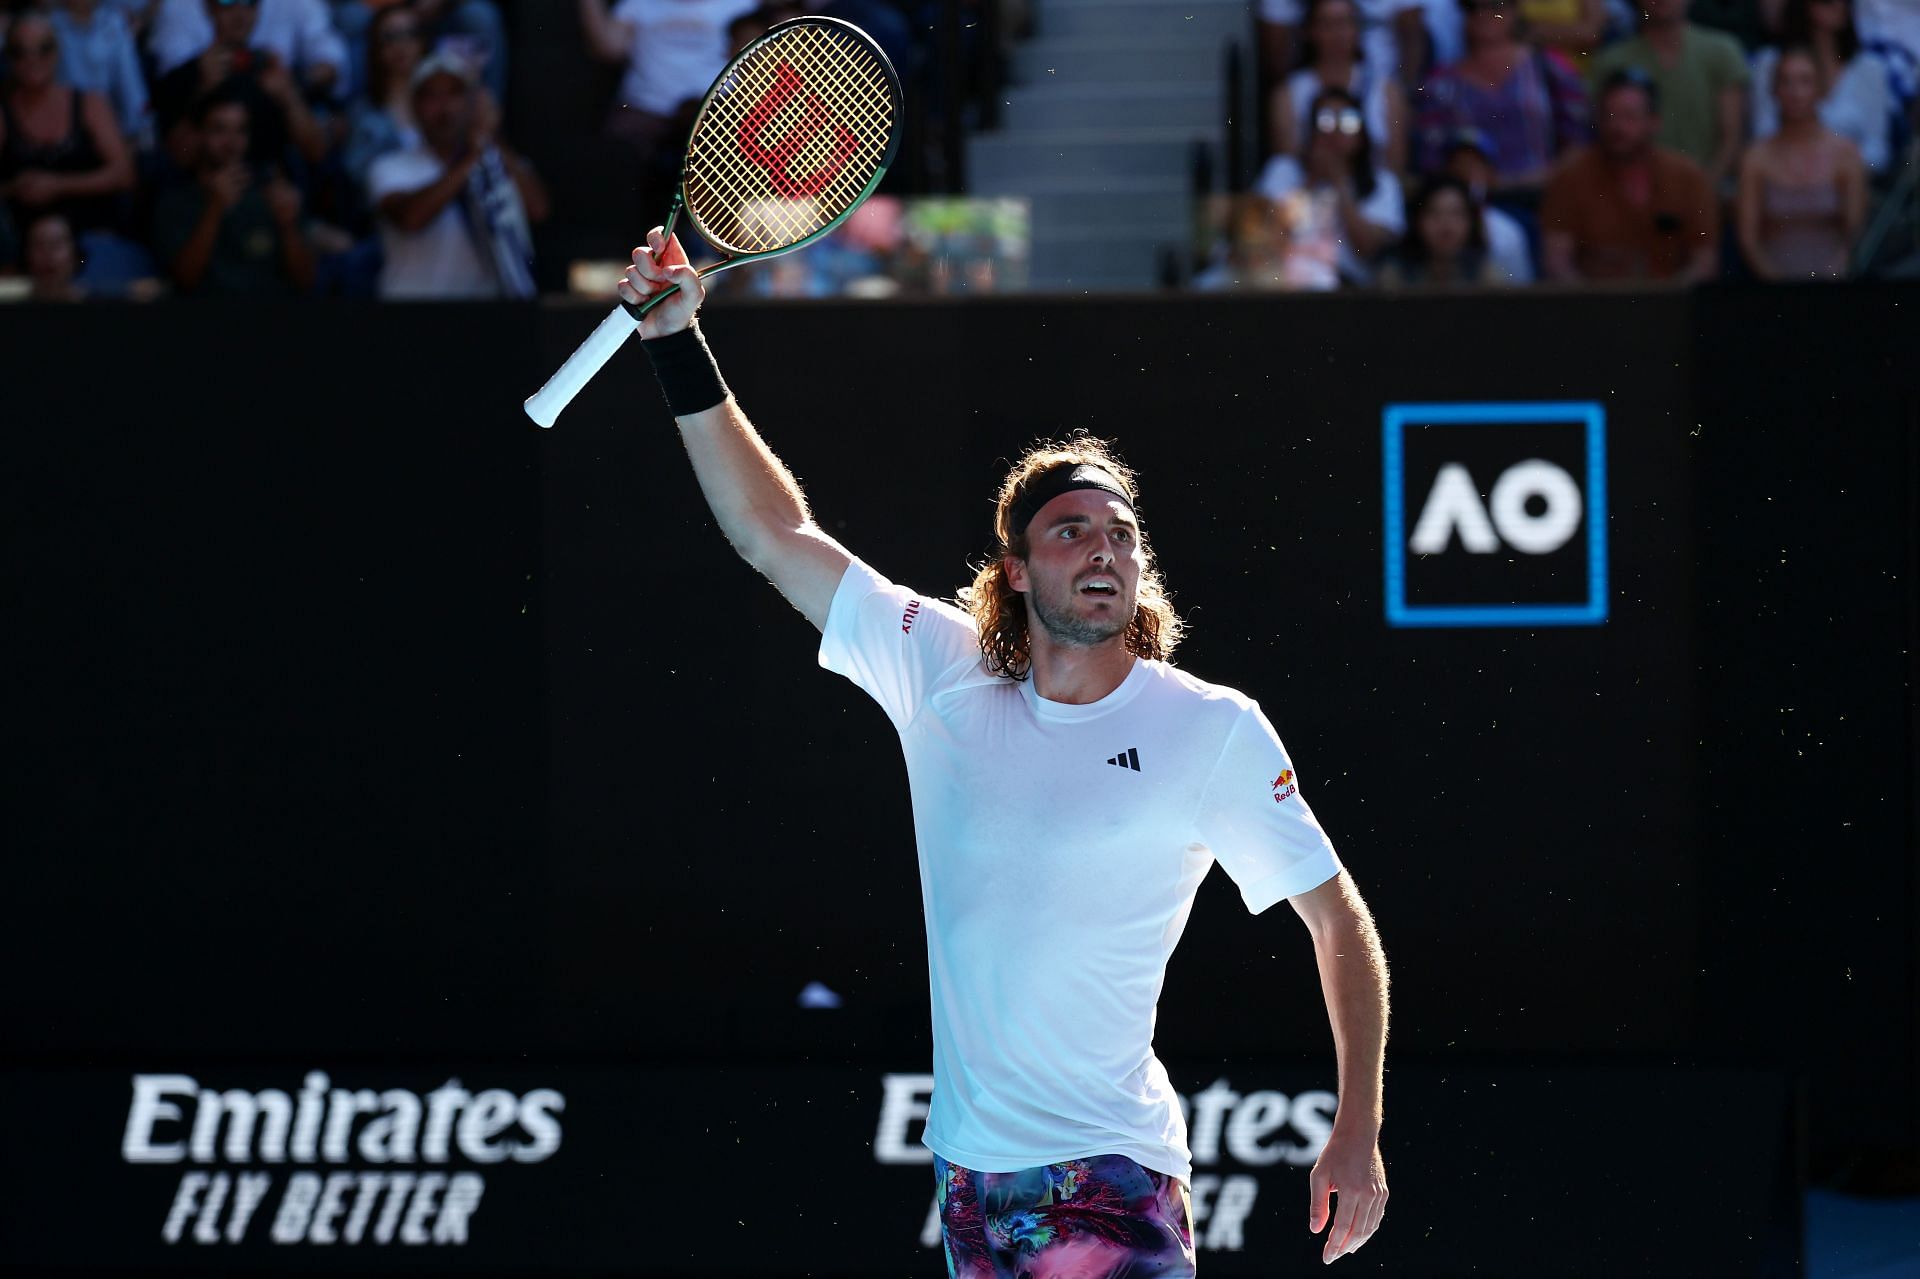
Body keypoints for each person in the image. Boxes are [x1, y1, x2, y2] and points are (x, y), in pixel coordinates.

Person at [611, 224, 1392, 1277]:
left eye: (1120, 533)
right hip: (974, 1180)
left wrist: (1357, 1124)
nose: (1104, 548)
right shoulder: (939, 672)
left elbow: (1334, 915)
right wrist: (674, 341)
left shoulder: (1211, 728)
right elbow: (772, 534)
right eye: (1071, 531)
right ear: (1017, 572)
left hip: (1116, 1172)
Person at [366, 48, 546, 298]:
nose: (445, 107)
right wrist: (472, 157)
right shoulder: (389, 167)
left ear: (473, 103)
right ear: (415, 106)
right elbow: (411, 218)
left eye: (455, 94)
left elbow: (538, 209)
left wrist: (490, 140)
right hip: (407, 312)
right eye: (432, 96)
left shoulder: (496, 161)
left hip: (480, 314)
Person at [1540, 67, 1720, 281]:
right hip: (1594, 303)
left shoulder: (1688, 177)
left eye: (1630, 117)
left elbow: (1704, 260)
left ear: (1654, 122)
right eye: (1610, 116)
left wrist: (1669, 302)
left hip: (1671, 303)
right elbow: (1558, 261)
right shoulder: (1571, 177)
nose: (1618, 127)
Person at [1413, 0, 1590, 216]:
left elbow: (1579, 144)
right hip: (1476, 213)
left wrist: (1531, 180)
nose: (1483, 14)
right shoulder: (1440, 82)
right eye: (1472, 7)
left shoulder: (1551, 67)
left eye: (1495, 5)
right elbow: (1431, 160)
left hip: (1548, 201)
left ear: (1514, 11)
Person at [150, 82, 315, 293]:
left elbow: (306, 283)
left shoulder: (274, 196)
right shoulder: (175, 202)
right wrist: (215, 209)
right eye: (219, 130)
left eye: (240, 131)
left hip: (271, 317)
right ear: (200, 135)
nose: (231, 142)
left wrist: (288, 226)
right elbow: (185, 281)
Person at [0, 13, 136, 243]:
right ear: (10, 58)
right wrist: (16, 189)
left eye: (43, 48)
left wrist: (58, 186)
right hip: (26, 242)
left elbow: (124, 174)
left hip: (91, 235)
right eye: (20, 51)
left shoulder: (89, 104)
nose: (32, 59)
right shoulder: (3, 114)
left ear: (57, 52)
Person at [150, 0, 329, 172]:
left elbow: (316, 153)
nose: (239, 13)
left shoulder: (269, 69)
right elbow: (177, 158)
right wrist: (200, 90)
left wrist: (289, 98)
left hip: (262, 188)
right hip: (201, 190)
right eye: (227, 1)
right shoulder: (186, 75)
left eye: (249, 2)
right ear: (208, 7)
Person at [1589, 0, 1750, 191]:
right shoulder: (1611, 61)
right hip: (1630, 196)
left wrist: (1701, 194)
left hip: (1709, 193)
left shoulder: (1723, 52)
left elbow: (1732, 137)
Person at [1736, 44, 1867, 276]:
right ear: (1774, 90)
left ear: (1820, 89)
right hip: (1773, 291)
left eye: (1805, 81)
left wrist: (1831, 280)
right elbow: (1748, 240)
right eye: (1786, 82)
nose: (1795, 92)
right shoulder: (1756, 158)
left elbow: (1855, 234)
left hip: (1836, 288)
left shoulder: (1846, 153)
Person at [1256, 84, 1406, 285]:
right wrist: (1311, 182)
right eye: (1324, 121)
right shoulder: (1283, 170)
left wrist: (1339, 183)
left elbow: (1367, 249)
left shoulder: (1383, 183)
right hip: (1282, 280)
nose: (1334, 132)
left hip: (1348, 289)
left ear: (1361, 134)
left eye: (1347, 122)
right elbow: (1262, 238)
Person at [1750, 0, 1897, 174]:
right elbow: (1762, 135)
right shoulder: (1769, 63)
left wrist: (1832, 165)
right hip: (1781, 182)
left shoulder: (1871, 68)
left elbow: (1878, 154)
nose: (1838, 4)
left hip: (1850, 185)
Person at [1272, 0, 1411, 172]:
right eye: (1327, 24)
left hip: (1371, 193)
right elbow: (1288, 164)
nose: (1337, 33)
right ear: (1310, 31)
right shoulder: (1288, 94)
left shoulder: (1387, 91)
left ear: (1358, 29)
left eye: (1345, 23)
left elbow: (1395, 166)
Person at [147, 0, 348, 103]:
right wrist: (198, 78)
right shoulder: (178, 7)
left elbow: (329, 56)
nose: (239, 11)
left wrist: (292, 86)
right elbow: (169, 80)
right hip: (205, 118)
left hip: (273, 104)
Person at [1438, 124, 1536, 279]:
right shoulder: (1432, 223)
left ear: (1491, 176)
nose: (1465, 173)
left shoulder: (1508, 232)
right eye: (1459, 164)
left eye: (1474, 166)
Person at [49, 0, 150, 144]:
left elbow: (130, 83)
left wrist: (139, 129)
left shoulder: (112, 23)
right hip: (64, 130)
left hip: (109, 124)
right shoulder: (50, 26)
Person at [1378, 171, 1507, 283]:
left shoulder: (1487, 273)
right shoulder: (1394, 275)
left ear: (1471, 222)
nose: (1446, 224)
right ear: (1417, 220)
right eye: (1434, 213)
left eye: (1456, 213)